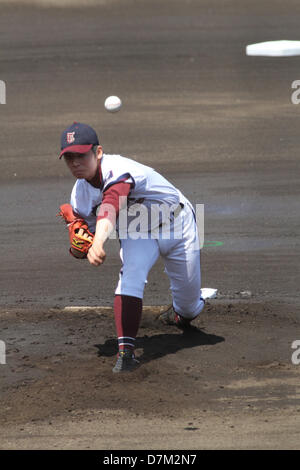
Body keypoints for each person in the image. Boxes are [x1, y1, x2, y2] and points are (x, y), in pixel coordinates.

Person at [59, 122, 217, 373]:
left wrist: (99, 242)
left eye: (81, 155)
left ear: (97, 152)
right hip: (138, 233)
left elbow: (111, 203)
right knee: (130, 277)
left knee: (189, 308)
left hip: (178, 225)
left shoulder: (118, 168)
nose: (75, 162)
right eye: (69, 157)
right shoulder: (79, 195)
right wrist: (82, 246)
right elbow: (84, 232)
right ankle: (126, 354)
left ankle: (179, 313)